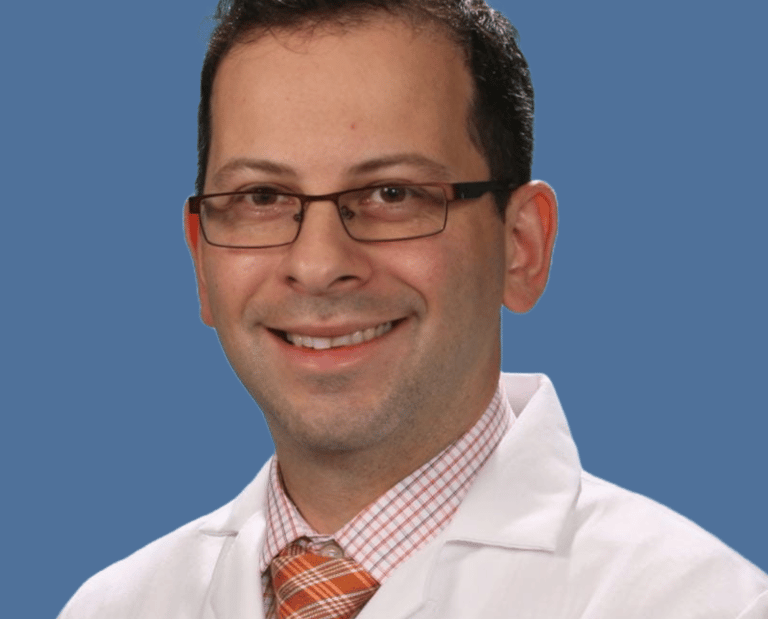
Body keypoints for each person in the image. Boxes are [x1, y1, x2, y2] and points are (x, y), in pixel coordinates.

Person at [58, 0, 768, 617]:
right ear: (201, 262)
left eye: (392, 194)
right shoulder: (114, 607)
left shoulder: (707, 605)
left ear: (521, 246)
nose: (318, 264)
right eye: (262, 198)